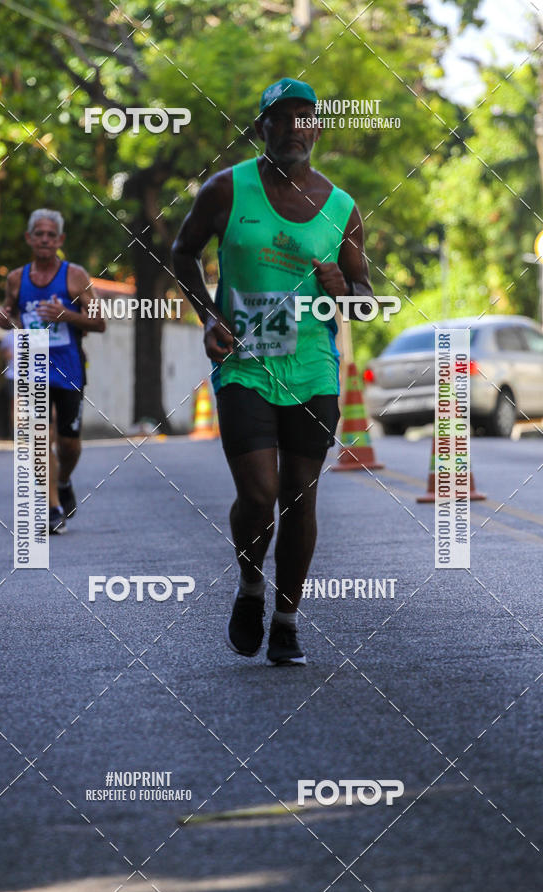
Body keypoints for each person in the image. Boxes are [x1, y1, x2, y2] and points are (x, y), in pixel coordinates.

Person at [172, 78, 374, 665]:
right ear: (261, 127)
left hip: (311, 369)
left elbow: (364, 295)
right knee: (259, 496)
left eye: (304, 117)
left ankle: (286, 621)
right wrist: (208, 316)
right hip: (244, 366)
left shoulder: (341, 207)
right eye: (280, 118)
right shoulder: (224, 190)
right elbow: (183, 252)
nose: (293, 128)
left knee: (299, 498)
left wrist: (346, 286)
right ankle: (251, 585)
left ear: (316, 126)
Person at [0, 209, 105, 533]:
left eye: (50, 234)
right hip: (32, 366)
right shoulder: (16, 278)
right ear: (29, 238)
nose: (44, 239)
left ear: (60, 240)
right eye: (38, 234)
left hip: (69, 367)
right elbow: (11, 314)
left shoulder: (75, 276)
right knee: (38, 437)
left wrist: (66, 316)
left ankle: (65, 480)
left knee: (69, 443)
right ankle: (53, 507)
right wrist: (3, 319)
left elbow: (99, 322)